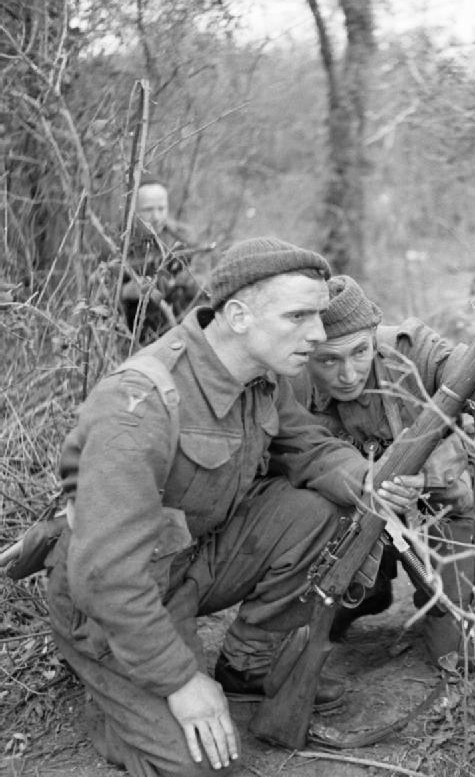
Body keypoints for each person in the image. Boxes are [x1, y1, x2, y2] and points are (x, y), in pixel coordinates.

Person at [46, 237, 423, 777]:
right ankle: (119, 707)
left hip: (191, 565)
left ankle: (245, 667)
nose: (317, 334)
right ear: (240, 315)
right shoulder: (138, 408)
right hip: (111, 598)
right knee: (206, 765)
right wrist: (180, 682)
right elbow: (105, 577)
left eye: (318, 316)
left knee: (322, 510)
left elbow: (309, 448)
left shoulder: (262, 376)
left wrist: (369, 482)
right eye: (299, 315)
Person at [290, 275, 475, 664]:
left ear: (374, 336)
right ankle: (369, 590)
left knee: (461, 655)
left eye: (359, 352)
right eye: (327, 360)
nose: (348, 374)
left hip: (438, 515)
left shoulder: (411, 350)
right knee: (295, 635)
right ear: (306, 351)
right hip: (347, 527)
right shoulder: (288, 377)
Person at [121, 176, 205, 341]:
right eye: (148, 209)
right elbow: (94, 292)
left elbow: (206, 283)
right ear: (133, 210)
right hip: (133, 335)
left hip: (180, 329)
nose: (156, 216)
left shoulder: (183, 237)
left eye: (162, 208)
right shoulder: (118, 242)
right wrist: (124, 292)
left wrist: (186, 281)